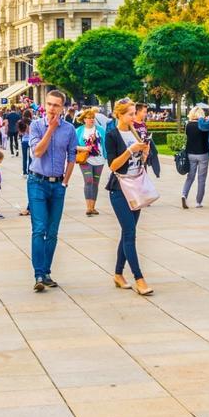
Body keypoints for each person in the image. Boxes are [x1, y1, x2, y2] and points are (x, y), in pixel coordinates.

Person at [104, 99, 159, 295]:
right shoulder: (112, 135)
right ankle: (139, 278)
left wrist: (144, 153)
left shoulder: (135, 132)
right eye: (129, 114)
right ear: (119, 114)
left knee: (128, 232)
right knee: (130, 234)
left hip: (136, 187)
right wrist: (130, 150)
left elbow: (139, 163)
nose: (133, 117)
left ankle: (118, 274)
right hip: (119, 189)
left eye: (134, 113)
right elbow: (113, 165)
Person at [26, 89, 77, 292]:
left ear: (63, 107)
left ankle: (46, 272)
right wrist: (51, 129)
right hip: (37, 181)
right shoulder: (36, 126)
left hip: (57, 185)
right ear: (44, 105)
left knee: (53, 231)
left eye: (56, 105)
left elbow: (72, 156)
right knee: (39, 229)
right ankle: (39, 274)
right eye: (49, 104)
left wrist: (65, 181)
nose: (52, 109)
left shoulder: (70, 129)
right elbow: (37, 152)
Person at [75, 108, 107, 216]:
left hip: (100, 160)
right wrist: (84, 149)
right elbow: (73, 146)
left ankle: (93, 207)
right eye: (89, 118)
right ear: (84, 119)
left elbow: (105, 144)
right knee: (88, 181)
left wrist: (107, 156)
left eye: (93, 118)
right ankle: (88, 207)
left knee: (95, 183)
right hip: (85, 160)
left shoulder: (100, 130)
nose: (91, 120)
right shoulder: (79, 131)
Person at [181, 106, 209, 209]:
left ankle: (184, 194)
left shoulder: (188, 125)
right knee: (201, 179)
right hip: (203, 153)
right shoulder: (203, 126)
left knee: (190, 177)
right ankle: (198, 202)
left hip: (191, 154)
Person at [19, 107, 34, 216]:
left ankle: (25, 171)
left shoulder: (22, 123)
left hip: (25, 141)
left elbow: (20, 133)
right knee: (30, 158)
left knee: (25, 157)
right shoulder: (32, 123)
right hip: (30, 143)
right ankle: (28, 170)